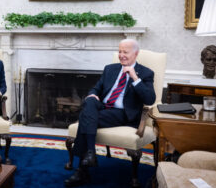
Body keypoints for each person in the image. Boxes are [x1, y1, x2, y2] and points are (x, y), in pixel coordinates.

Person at [64, 39, 156, 187]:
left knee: (85, 116)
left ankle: (82, 171)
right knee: (89, 102)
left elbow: (150, 99)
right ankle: (91, 154)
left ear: (136, 53)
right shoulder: (110, 69)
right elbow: (96, 88)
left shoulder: (145, 73)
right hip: (102, 107)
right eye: (119, 51)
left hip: (123, 113)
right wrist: (92, 95)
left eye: (125, 52)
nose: (121, 55)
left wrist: (135, 78)